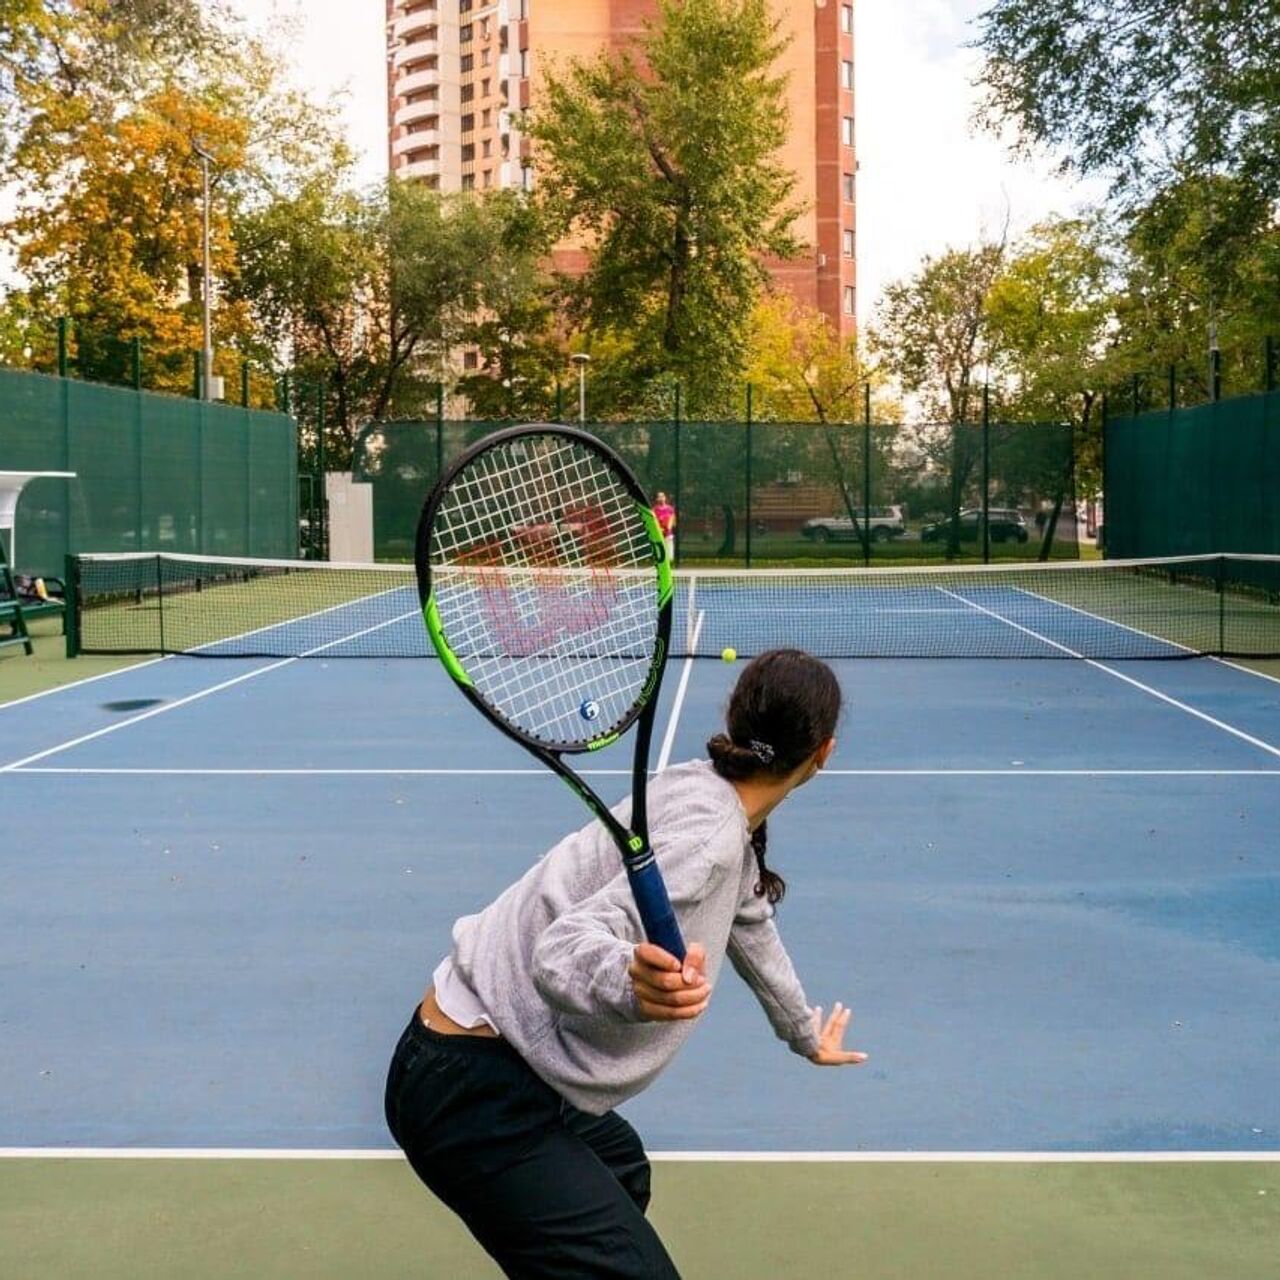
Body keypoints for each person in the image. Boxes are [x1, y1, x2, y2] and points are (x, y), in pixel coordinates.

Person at [385, 649, 867, 1278]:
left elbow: (748, 921)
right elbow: (560, 951)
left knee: (621, 1171)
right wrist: (626, 977)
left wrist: (803, 1031)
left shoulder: (705, 793)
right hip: (474, 1088)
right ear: (824, 752)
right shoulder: (708, 838)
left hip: (497, 1063)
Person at [652, 490, 677, 565]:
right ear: (657, 499)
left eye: (663, 496)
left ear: (665, 498)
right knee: (660, 556)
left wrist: (668, 527)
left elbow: (673, 522)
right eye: (659, 496)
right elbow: (654, 522)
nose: (661, 498)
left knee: (669, 557)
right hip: (659, 535)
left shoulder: (670, 509)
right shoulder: (654, 510)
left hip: (668, 535)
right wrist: (659, 528)